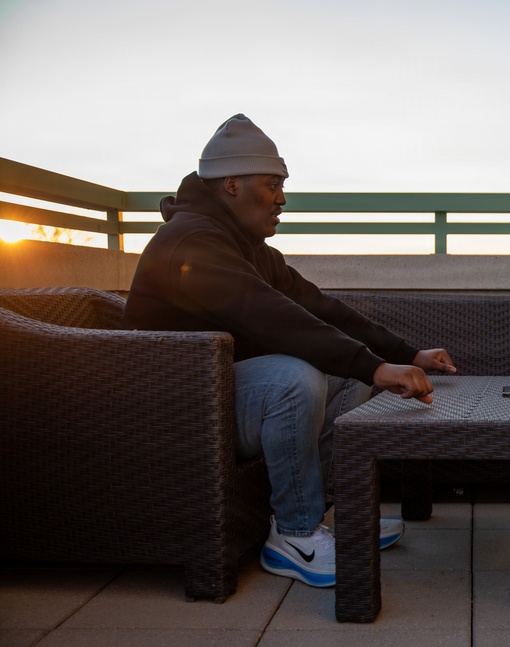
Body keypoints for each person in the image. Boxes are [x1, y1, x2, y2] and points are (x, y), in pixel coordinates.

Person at [123, 113, 457, 588]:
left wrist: (407, 354)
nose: (282, 198)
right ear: (232, 184)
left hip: (218, 397)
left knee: (343, 378)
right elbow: (274, 317)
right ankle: (294, 535)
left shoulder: (249, 248)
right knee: (292, 378)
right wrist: (376, 367)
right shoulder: (190, 243)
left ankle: (319, 518)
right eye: (273, 185)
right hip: (175, 412)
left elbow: (320, 308)